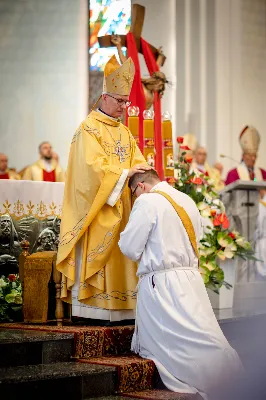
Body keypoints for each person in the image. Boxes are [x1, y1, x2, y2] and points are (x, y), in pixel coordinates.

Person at [118, 169, 243, 399]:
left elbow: (130, 247)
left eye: (134, 193)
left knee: (181, 344)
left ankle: (217, 377)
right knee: (200, 331)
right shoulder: (186, 200)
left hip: (164, 284)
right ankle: (230, 371)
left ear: (142, 186)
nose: (135, 198)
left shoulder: (147, 201)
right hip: (190, 279)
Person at [56, 54, 150, 322]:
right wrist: (123, 174)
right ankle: (94, 311)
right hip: (99, 211)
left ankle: (124, 310)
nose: (123, 107)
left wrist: (144, 177)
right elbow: (89, 171)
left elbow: (137, 162)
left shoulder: (124, 133)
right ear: (105, 97)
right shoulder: (88, 129)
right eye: (120, 101)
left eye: (126, 101)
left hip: (124, 209)